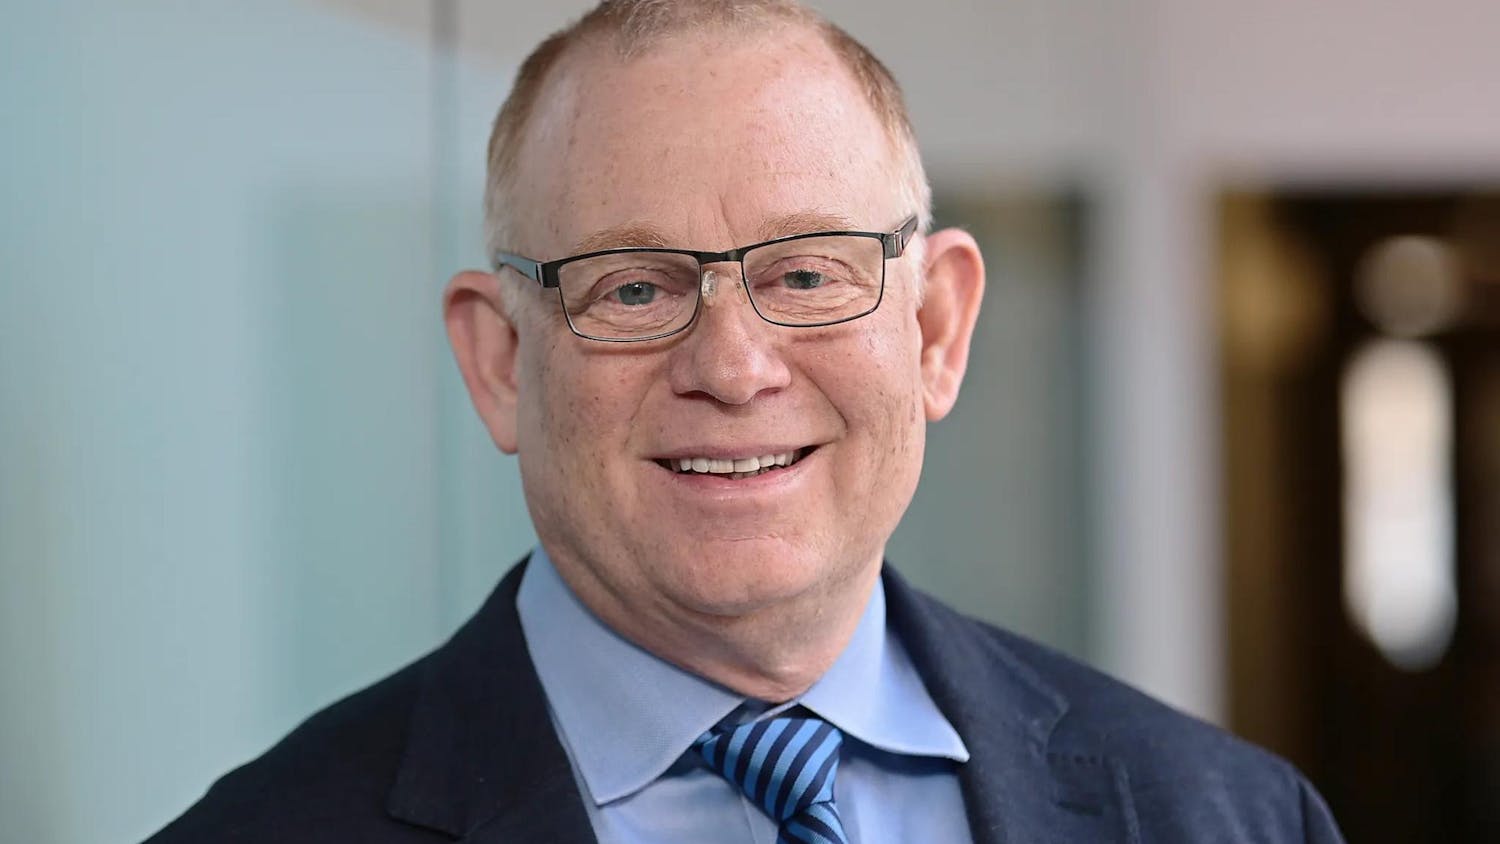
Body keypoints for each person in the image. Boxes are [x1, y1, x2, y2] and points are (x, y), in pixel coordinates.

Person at [147, 1, 1343, 841]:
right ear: (501, 359)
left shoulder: (1225, 819)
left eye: (811, 273)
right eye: (634, 287)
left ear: (936, 329)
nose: (732, 364)